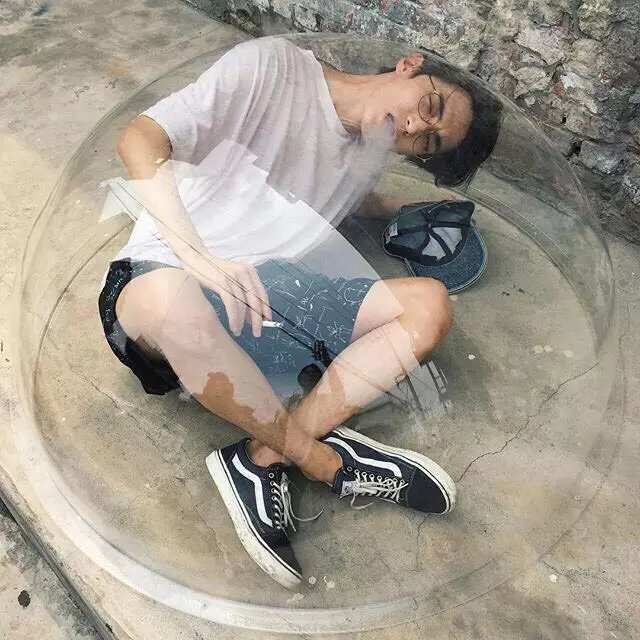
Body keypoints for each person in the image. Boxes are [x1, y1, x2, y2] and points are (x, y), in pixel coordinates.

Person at [98, 36, 502, 588]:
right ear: (409, 65)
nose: (411, 129)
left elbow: (334, 194)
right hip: (165, 275)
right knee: (174, 303)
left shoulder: (369, 149)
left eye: (426, 142)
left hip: (269, 302)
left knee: (428, 304)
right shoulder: (273, 68)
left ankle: (261, 458)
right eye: (428, 107)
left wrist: (405, 206)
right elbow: (140, 139)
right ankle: (324, 463)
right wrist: (199, 257)